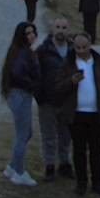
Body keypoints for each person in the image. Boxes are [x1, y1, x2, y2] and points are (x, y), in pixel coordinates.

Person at [56, 32, 100, 196]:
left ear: (90, 45)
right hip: (76, 114)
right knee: (79, 150)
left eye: (84, 47)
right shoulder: (68, 63)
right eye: (77, 47)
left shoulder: (99, 62)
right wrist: (71, 82)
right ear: (74, 47)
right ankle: (81, 183)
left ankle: (98, 184)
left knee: (96, 151)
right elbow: (58, 87)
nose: (81, 50)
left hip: (96, 114)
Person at [0, 21, 40, 186]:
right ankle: (19, 172)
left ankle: (12, 167)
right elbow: (18, 74)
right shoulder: (23, 53)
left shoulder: (19, 51)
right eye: (27, 33)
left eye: (33, 32)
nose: (31, 36)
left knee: (26, 133)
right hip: (21, 94)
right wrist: (32, 85)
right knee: (23, 135)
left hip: (19, 94)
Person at [35, 17, 74, 182]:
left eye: (64, 27)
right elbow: (35, 74)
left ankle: (65, 164)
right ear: (52, 29)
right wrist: (39, 96)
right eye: (57, 27)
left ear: (68, 30)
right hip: (48, 100)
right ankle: (49, 166)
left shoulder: (73, 49)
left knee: (66, 136)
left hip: (67, 101)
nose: (60, 30)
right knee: (49, 136)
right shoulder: (43, 50)